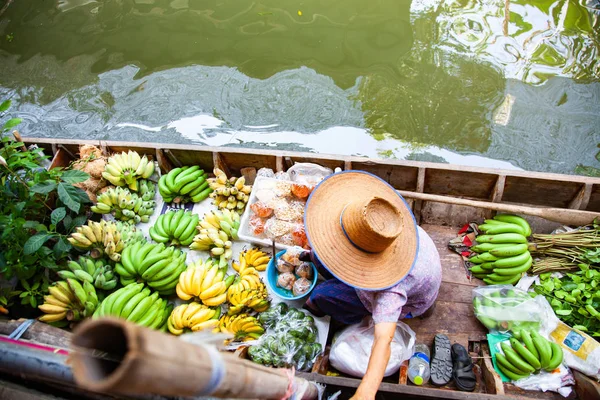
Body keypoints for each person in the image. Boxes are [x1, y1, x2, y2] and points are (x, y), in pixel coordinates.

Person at [301, 170, 442, 400]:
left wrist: (365, 392)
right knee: (319, 258)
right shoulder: (383, 224)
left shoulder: (391, 290)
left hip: (413, 294)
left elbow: (383, 341)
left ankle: (323, 308)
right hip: (412, 271)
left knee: (320, 296)